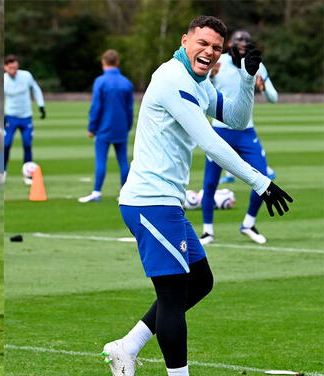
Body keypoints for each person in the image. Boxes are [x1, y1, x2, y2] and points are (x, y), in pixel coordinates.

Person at [102, 16, 293, 376]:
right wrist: (260, 181)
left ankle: (126, 347)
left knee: (200, 282)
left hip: (164, 203)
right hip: (149, 202)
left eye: (216, 48)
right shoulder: (172, 78)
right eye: (202, 43)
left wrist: (247, 77)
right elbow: (210, 142)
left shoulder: (198, 81)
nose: (208, 52)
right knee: (173, 297)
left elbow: (235, 119)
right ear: (185, 40)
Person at [200, 29, 279, 245]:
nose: (242, 44)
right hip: (219, 132)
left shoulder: (257, 64)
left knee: (264, 179)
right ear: (229, 44)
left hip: (246, 133)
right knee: (210, 183)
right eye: (238, 41)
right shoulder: (218, 62)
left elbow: (274, 97)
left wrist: (263, 86)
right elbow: (198, 88)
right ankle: (208, 231)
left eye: (246, 40)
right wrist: (208, 75)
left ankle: (248, 223)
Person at [79, 49, 134, 203]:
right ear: (117, 63)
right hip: (121, 127)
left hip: (104, 127)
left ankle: (97, 192)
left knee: (101, 160)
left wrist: (92, 127)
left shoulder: (100, 81)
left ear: (103, 63)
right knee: (123, 160)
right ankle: (125, 193)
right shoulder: (126, 82)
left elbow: (96, 106)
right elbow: (130, 108)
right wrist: (128, 125)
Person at [4, 54, 45, 182]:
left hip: (26, 117)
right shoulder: (3, 80)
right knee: (6, 144)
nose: (13, 71)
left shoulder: (26, 76)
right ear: (5, 67)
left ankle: (28, 174)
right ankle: (3, 171)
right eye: (10, 68)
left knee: (27, 144)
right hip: (11, 116)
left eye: (15, 68)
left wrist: (41, 105)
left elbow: (36, 89)